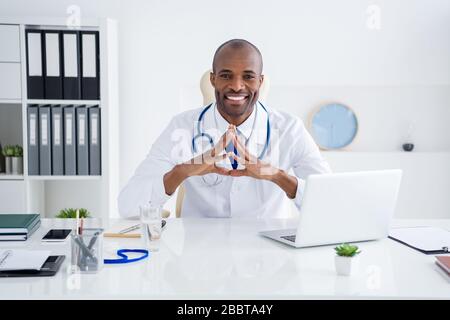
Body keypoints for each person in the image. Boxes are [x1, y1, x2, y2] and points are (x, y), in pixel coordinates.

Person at [118, 39, 331, 218]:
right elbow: (128, 207)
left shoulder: (288, 129)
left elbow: (329, 204)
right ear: (213, 79)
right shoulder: (182, 127)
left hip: (267, 257)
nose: (237, 86)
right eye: (226, 75)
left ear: (260, 81)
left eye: (248, 76)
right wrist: (181, 172)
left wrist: (277, 176)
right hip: (198, 257)